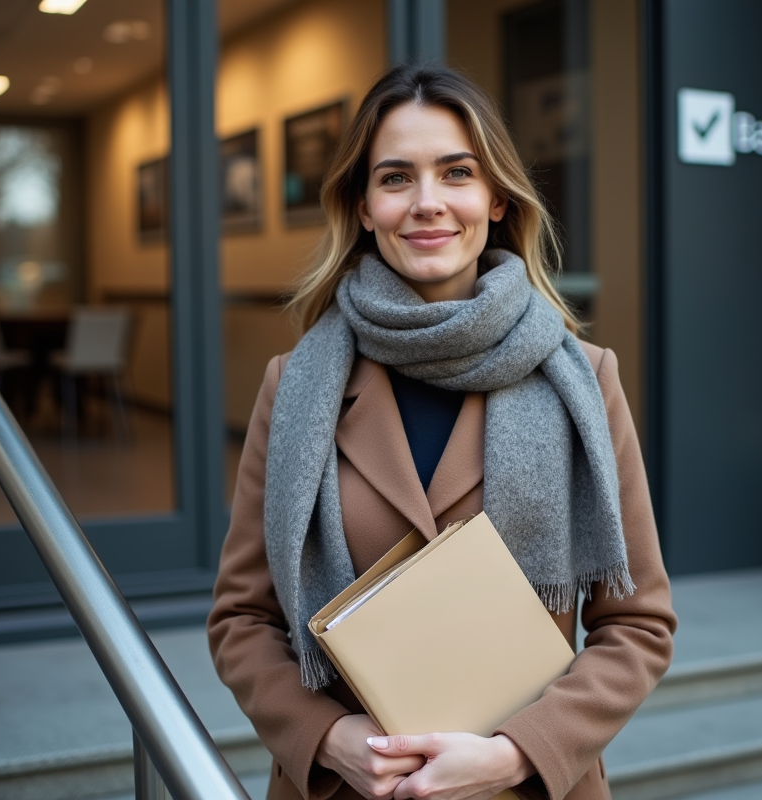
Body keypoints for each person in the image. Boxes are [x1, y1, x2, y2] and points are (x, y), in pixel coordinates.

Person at [208, 64, 676, 800]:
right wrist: (328, 739)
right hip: (349, 787)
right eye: (396, 178)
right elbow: (241, 619)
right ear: (363, 206)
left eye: (456, 172)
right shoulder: (293, 384)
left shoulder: (585, 378)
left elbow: (639, 626)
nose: (427, 203)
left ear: (495, 198)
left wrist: (520, 753)